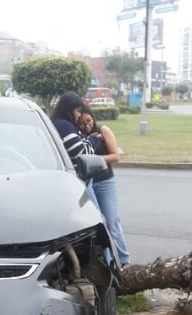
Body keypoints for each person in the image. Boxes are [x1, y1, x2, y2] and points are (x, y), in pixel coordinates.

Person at [77, 106, 131, 267]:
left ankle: (124, 261)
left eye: (89, 121)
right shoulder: (79, 138)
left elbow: (116, 156)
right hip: (87, 183)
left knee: (113, 222)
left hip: (105, 181)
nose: (87, 126)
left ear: (93, 118)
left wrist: (94, 159)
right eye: (82, 124)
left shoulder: (103, 131)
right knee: (100, 223)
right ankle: (109, 263)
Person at [49, 92, 92, 159]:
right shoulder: (63, 126)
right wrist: (94, 140)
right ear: (69, 110)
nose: (80, 115)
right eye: (78, 111)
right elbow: (79, 152)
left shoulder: (60, 123)